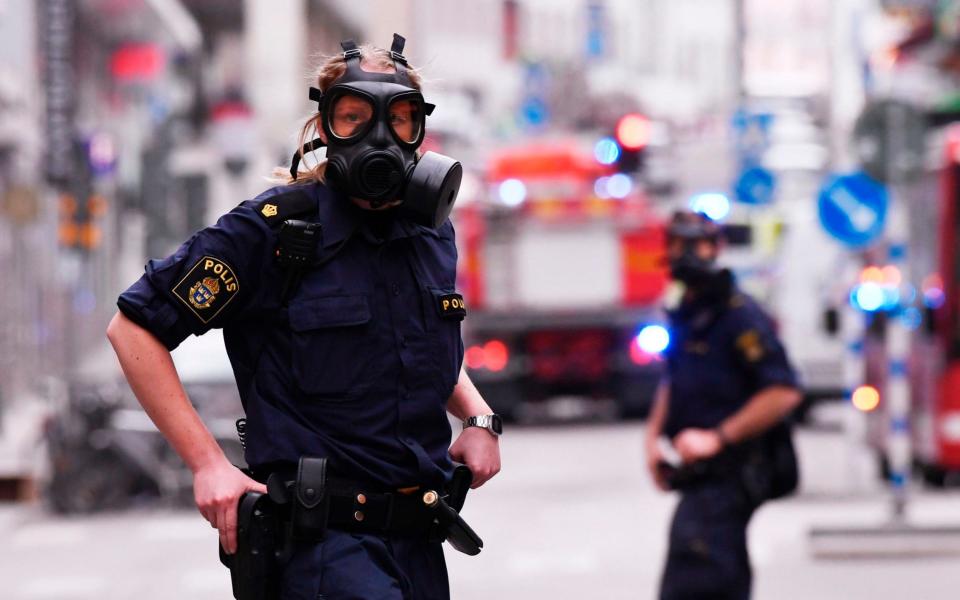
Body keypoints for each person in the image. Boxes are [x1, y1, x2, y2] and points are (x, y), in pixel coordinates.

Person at [106, 35, 501, 600]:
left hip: (418, 543)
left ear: (421, 133)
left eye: (401, 121)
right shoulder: (272, 232)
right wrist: (207, 464)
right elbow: (133, 328)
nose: (379, 138)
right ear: (323, 129)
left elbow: (418, 342)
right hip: (323, 551)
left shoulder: (430, 233)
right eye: (353, 118)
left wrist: (479, 419)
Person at [644, 211, 802, 600]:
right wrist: (652, 440)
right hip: (699, 476)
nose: (683, 254)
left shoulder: (738, 315)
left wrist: (717, 437)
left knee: (697, 577)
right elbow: (674, 379)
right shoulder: (690, 311)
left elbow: (784, 391)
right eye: (676, 244)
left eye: (694, 244)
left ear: (716, 248)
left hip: (733, 472)